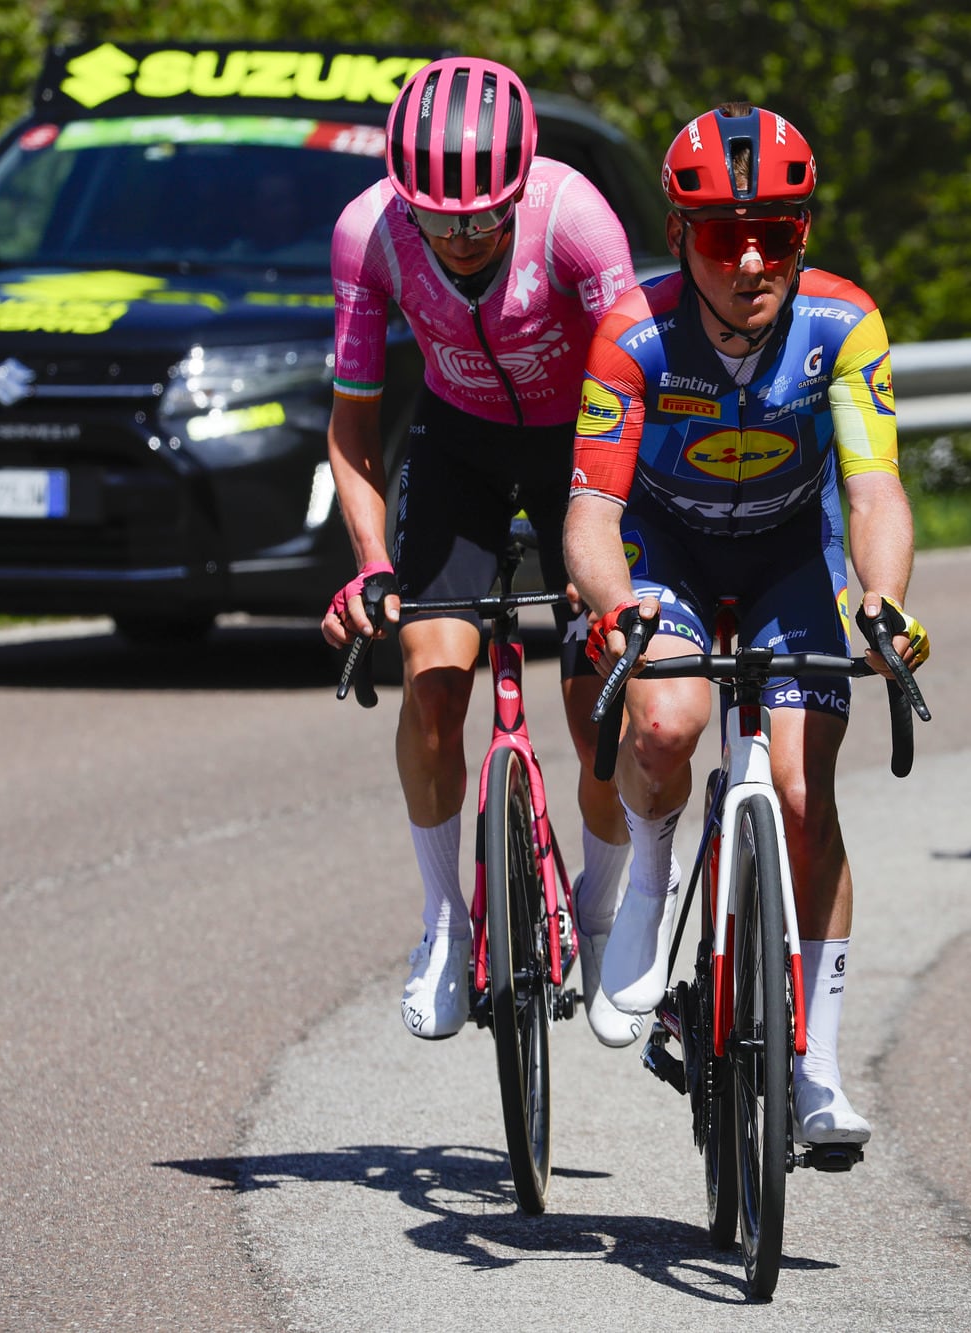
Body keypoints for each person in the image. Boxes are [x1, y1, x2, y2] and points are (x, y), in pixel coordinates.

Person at [563, 103, 930, 1146]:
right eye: (727, 234)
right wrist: (612, 603)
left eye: (781, 228)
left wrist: (882, 597)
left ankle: (815, 1069)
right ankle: (648, 866)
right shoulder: (633, 332)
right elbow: (590, 513)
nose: (755, 257)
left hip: (786, 554)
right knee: (666, 727)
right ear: (681, 237)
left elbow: (874, 492)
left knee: (808, 795)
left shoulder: (843, 324)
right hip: (665, 552)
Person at [319, 56, 644, 1048]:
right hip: (456, 447)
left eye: (482, 217)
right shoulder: (369, 234)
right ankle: (442, 920)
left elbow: (634, 391)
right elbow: (354, 429)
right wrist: (373, 565)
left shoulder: (576, 220)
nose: (460, 240)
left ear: (520, 188)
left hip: (576, 453)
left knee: (602, 697)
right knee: (432, 681)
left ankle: (598, 908)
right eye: (439, 219)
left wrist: (613, 562)